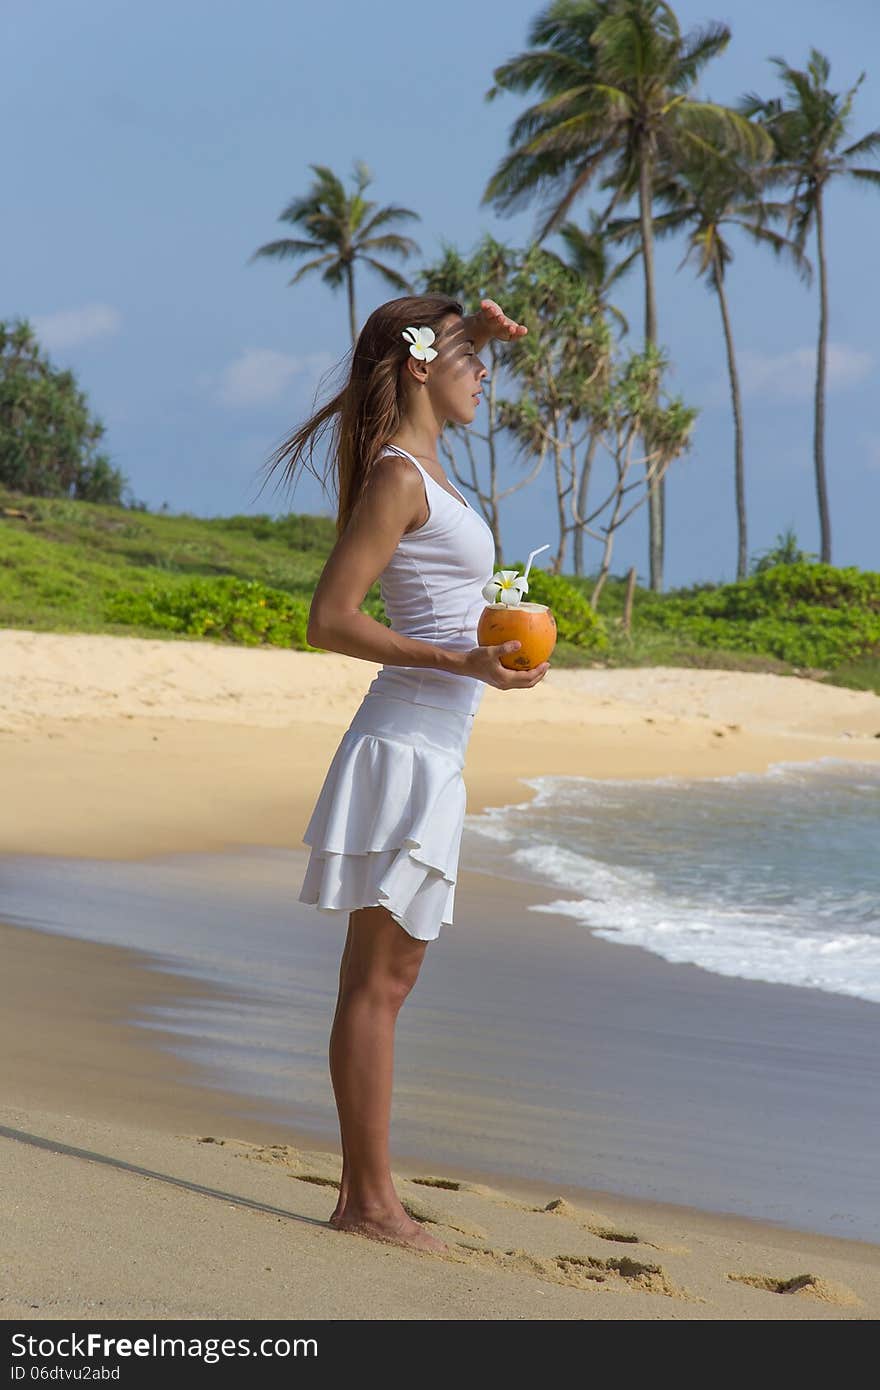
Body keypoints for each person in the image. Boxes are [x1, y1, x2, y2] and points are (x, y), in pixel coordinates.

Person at [260, 293, 550, 1253]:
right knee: (380, 982)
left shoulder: (432, 471)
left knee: (387, 976)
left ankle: (367, 1197)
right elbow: (331, 618)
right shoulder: (398, 476)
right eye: (472, 361)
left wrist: (494, 645)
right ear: (423, 365)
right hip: (407, 739)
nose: (487, 379)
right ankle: (369, 1205)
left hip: (435, 742)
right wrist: (455, 661)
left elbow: (446, 604)